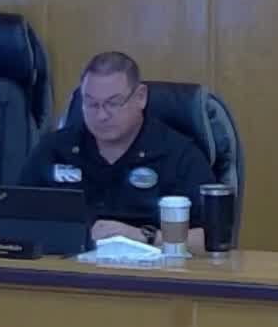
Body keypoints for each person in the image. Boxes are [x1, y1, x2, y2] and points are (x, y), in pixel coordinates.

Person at [20, 51, 215, 251]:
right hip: (70, 264)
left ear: (141, 97)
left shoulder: (179, 156)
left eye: (113, 103)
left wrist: (142, 236)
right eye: (91, 104)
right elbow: (16, 218)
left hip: (150, 267)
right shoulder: (54, 149)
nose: (101, 116)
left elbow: (212, 239)